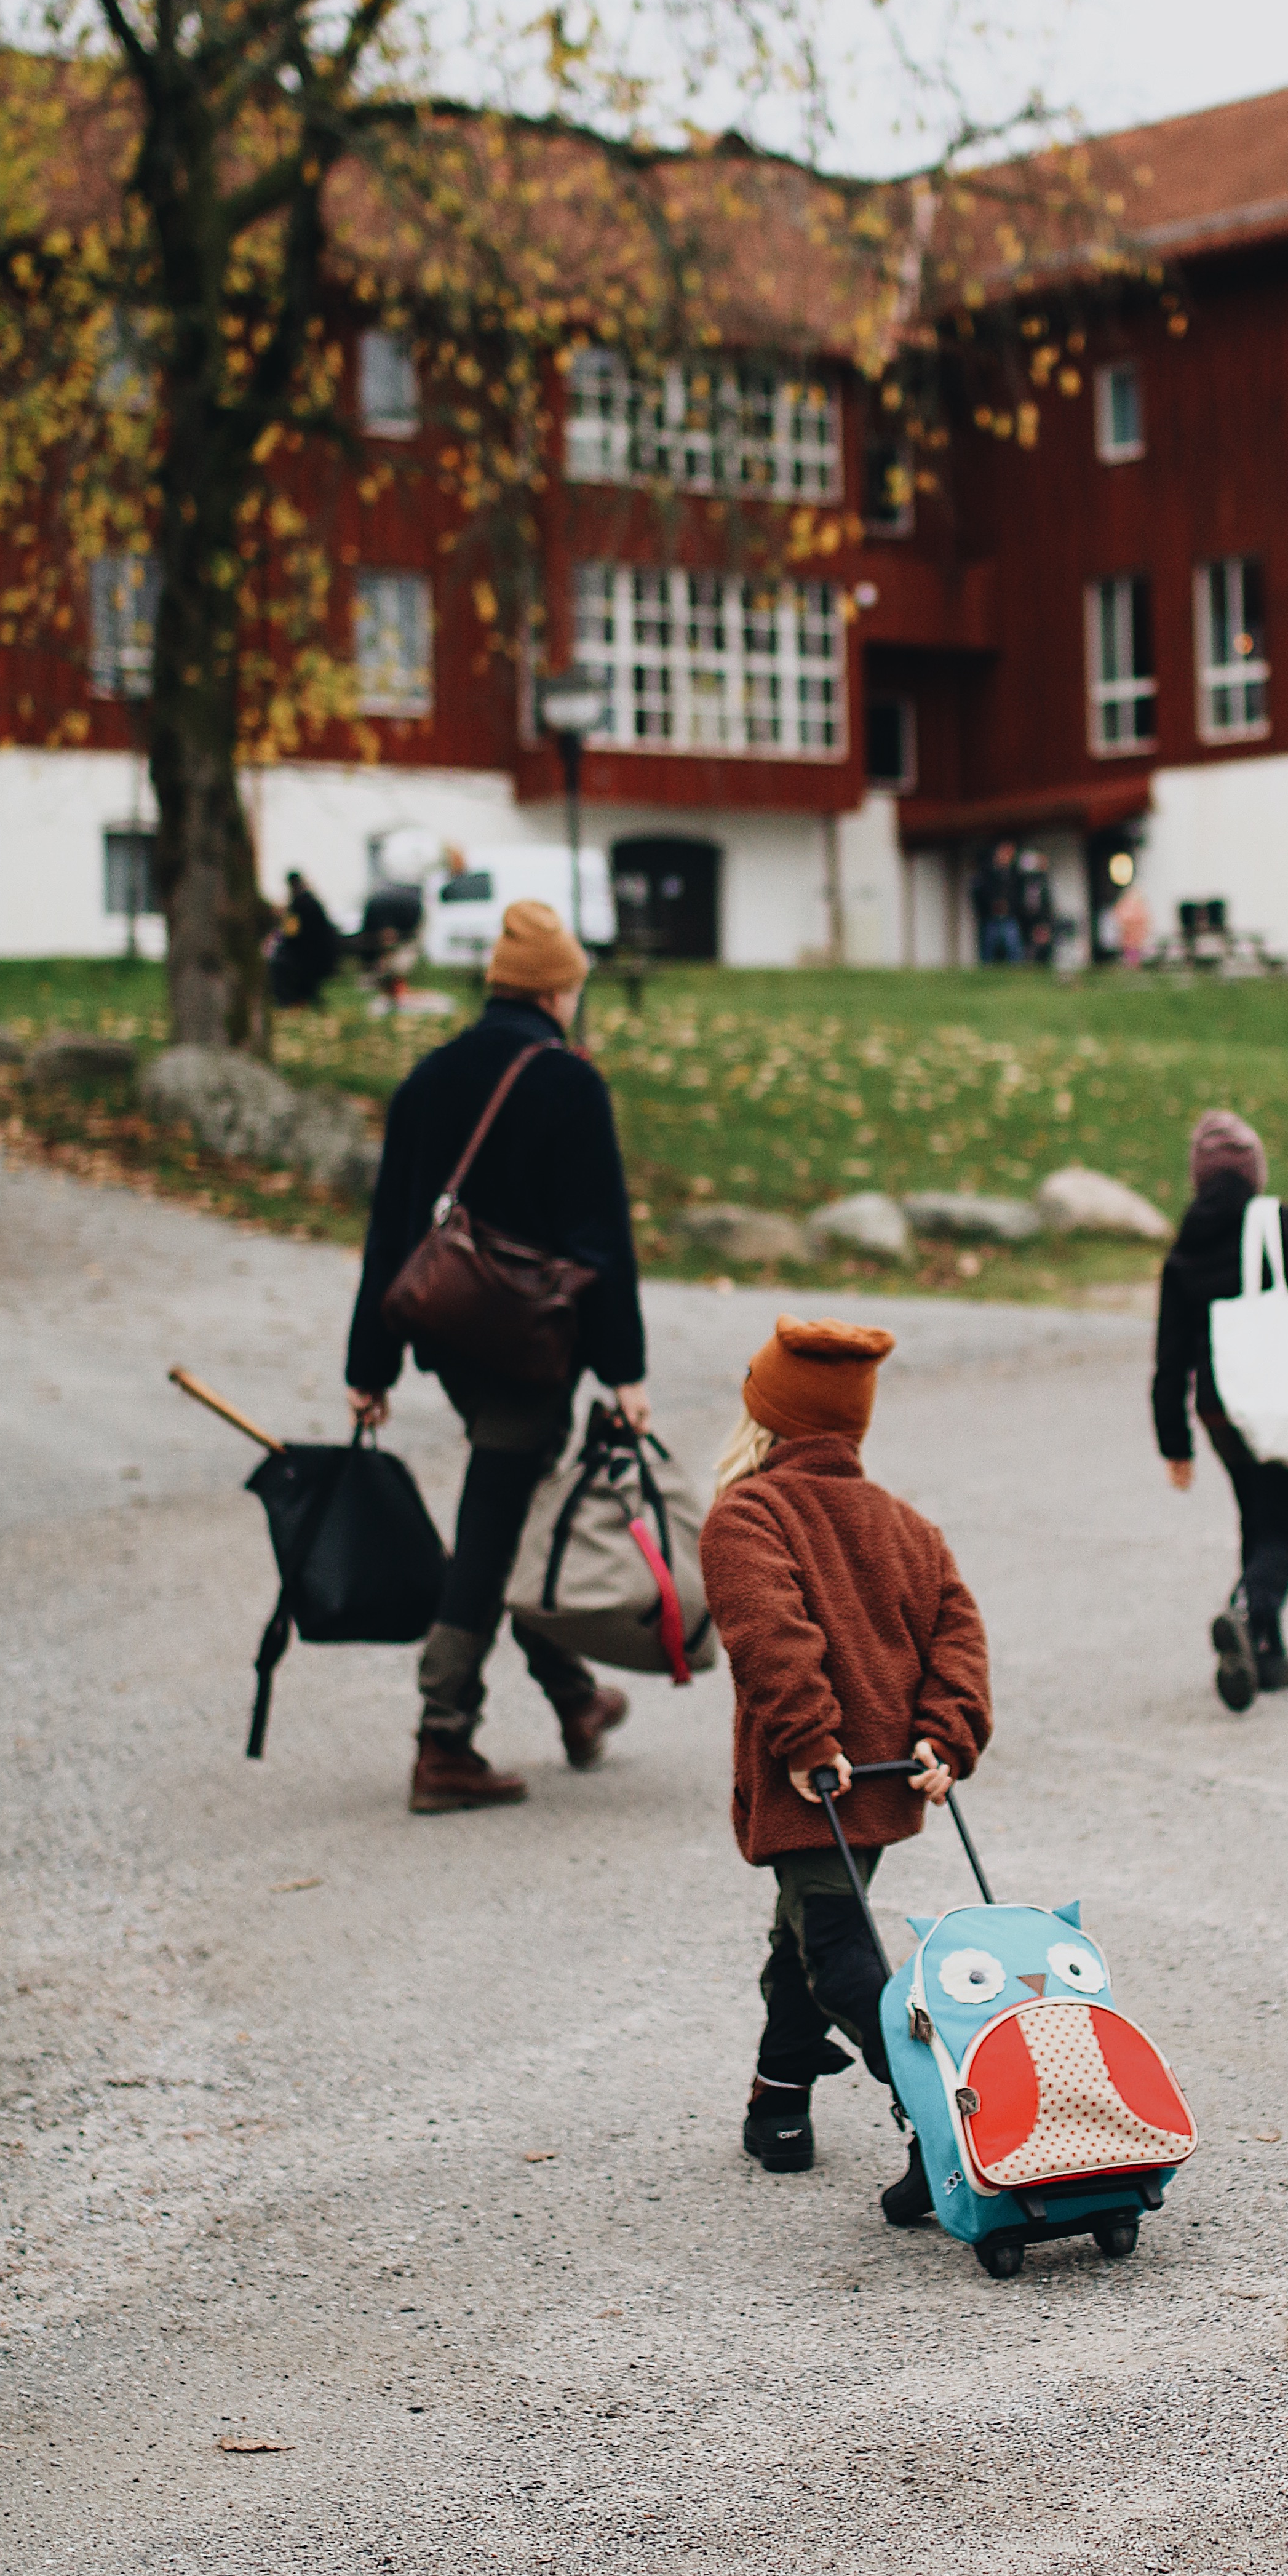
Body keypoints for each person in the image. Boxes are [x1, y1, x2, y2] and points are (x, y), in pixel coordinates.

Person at [344, 898, 644, 1812]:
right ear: (559, 988)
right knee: (494, 1524)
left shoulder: (428, 1079)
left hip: (450, 1338)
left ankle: (574, 1699)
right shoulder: (568, 1083)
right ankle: (444, 1740)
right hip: (529, 1347)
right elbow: (602, 1241)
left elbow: (392, 1232)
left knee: (510, 1508)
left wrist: (372, 1365)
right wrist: (623, 1370)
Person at [698, 1316, 993, 2214]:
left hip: (816, 1782)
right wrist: (945, 1733)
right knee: (807, 1927)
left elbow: (770, 1636)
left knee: (837, 1950)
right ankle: (779, 2099)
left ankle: (947, 2124)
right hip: (883, 1780)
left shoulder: (747, 1515)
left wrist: (807, 1740)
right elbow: (959, 1636)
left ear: (768, 1419)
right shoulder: (910, 1526)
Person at [1151, 1107, 1288, 1715]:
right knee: (1284, 1530)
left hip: (1219, 1411)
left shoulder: (1184, 1246)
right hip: (1276, 1399)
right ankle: (1248, 1612)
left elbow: (1168, 1357)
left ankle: (1267, 1654)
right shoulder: (1278, 1224)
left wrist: (1175, 1444)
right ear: (1254, 1173)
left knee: (1255, 1518)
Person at [268, 869, 341, 1008]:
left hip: (306, 959)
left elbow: (290, 934)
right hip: (322, 956)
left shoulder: (297, 906)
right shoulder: (313, 902)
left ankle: (290, 1002)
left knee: (277, 964)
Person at [970, 837, 1025, 965]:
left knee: (1014, 947)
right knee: (988, 948)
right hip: (991, 917)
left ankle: (1016, 971)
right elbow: (981, 894)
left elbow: (1018, 895)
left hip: (1009, 916)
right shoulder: (987, 873)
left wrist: (1009, 906)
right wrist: (992, 906)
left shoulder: (1014, 874)